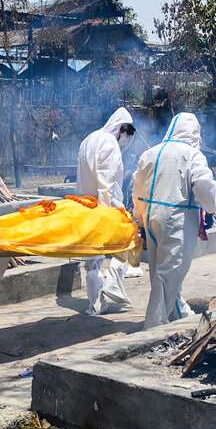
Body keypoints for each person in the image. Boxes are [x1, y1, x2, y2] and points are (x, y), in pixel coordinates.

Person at [131, 112, 216, 329]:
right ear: (194, 132)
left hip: (151, 216)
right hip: (176, 219)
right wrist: (211, 208)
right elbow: (204, 185)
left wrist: (139, 218)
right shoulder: (192, 155)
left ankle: (177, 312)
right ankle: (153, 325)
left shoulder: (150, 153)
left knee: (160, 269)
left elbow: (137, 188)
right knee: (170, 272)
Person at [75, 108, 137, 315]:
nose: (126, 139)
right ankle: (111, 287)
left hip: (85, 205)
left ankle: (94, 305)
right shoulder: (109, 143)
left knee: (92, 261)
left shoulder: (89, 139)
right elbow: (108, 184)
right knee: (127, 245)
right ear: (121, 129)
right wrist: (116, 210)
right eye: (127, 133)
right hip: (104, 206)